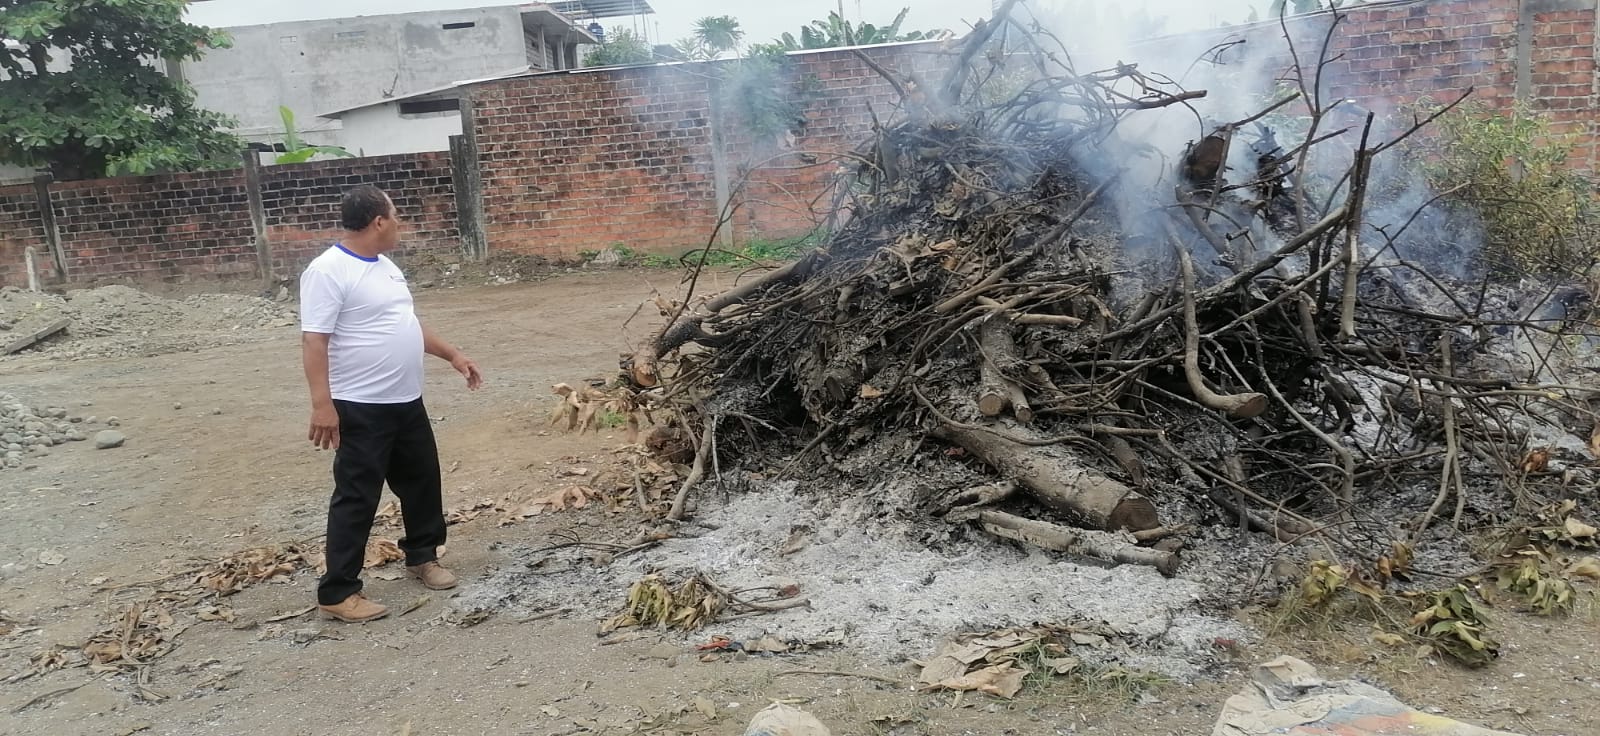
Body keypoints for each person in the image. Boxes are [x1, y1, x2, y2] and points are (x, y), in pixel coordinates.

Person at [299, 185, 483, 623]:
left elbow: (406, 323)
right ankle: (338, 591)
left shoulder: (386, 267)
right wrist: (322, 405)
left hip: (405, 400)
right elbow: (313, 340)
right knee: (357, 496)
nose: (400, 223)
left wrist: (453, 355)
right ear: (378, 221)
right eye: (395, 215)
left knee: (422, 482)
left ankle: (422, 555)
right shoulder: (328, 270)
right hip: (360, 405)